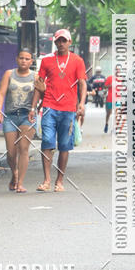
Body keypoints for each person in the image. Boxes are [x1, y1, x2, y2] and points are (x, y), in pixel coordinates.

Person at [28, 28, 86, 192]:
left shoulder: (77, 61)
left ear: (69, 42)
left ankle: (59, 181)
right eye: (58, 40)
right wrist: (33, 107)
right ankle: (46, 179)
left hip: (68, 109)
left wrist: (81, 103)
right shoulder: (46, 61)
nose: (61, 43)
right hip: (49, 107)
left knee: (65, 145)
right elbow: (39, 86)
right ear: (55, 42)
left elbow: (82, 83)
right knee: (47, 141)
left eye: (64, 40)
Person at [0, 49, 37, 192]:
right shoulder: (9, 74)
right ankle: (15, 173)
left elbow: (41, 94)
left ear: (31, 61)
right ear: (17, 59)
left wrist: (34, 108)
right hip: (10, 116)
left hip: (28, 116)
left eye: (27, 59)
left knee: (23, 149)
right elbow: (1, 93)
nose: (24, 61)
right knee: (11, 152)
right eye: (21, 58)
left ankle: (20, 183)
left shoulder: (35, 77)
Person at [104, 66, 121, 133]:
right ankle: (106, 124)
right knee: (109, 113)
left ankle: (115, 128)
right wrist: (109, 86)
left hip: (118, 99)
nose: (117, 71)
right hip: (110, 99)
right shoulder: (110, 78)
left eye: (119, 70)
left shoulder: (121, 79)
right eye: (116, 70)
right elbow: (105, 86)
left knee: (117, 114)